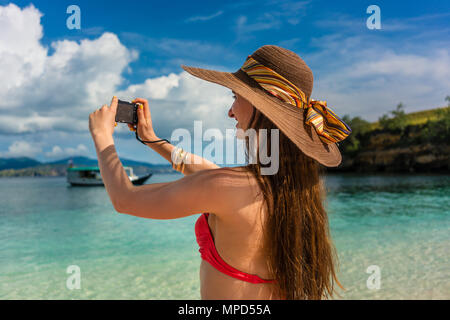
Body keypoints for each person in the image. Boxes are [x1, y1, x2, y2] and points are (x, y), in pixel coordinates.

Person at [88, 45, 352, 300]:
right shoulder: (293, 188)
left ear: (263, 106)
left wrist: (102, 138)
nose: (230, 111)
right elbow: (213, 175)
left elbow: (124, 199)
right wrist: (153, 141)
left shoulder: (226, 188)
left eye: (235, 97)